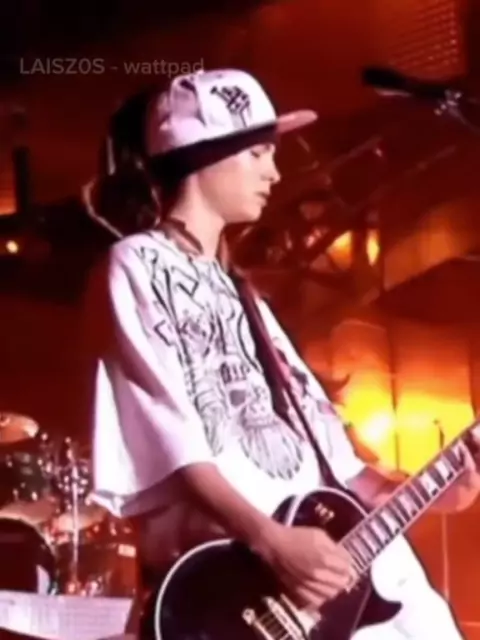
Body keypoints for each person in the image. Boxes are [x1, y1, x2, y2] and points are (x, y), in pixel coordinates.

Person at [85, 68, 480, 639]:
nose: (275, 172)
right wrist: (269, 540)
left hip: (340, 570)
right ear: (205, 155)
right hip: (251, 584)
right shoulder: (136, 265)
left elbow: (337, 463)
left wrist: (438, 488)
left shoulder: (244, 294)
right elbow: (171, 440)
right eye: (258, 154)